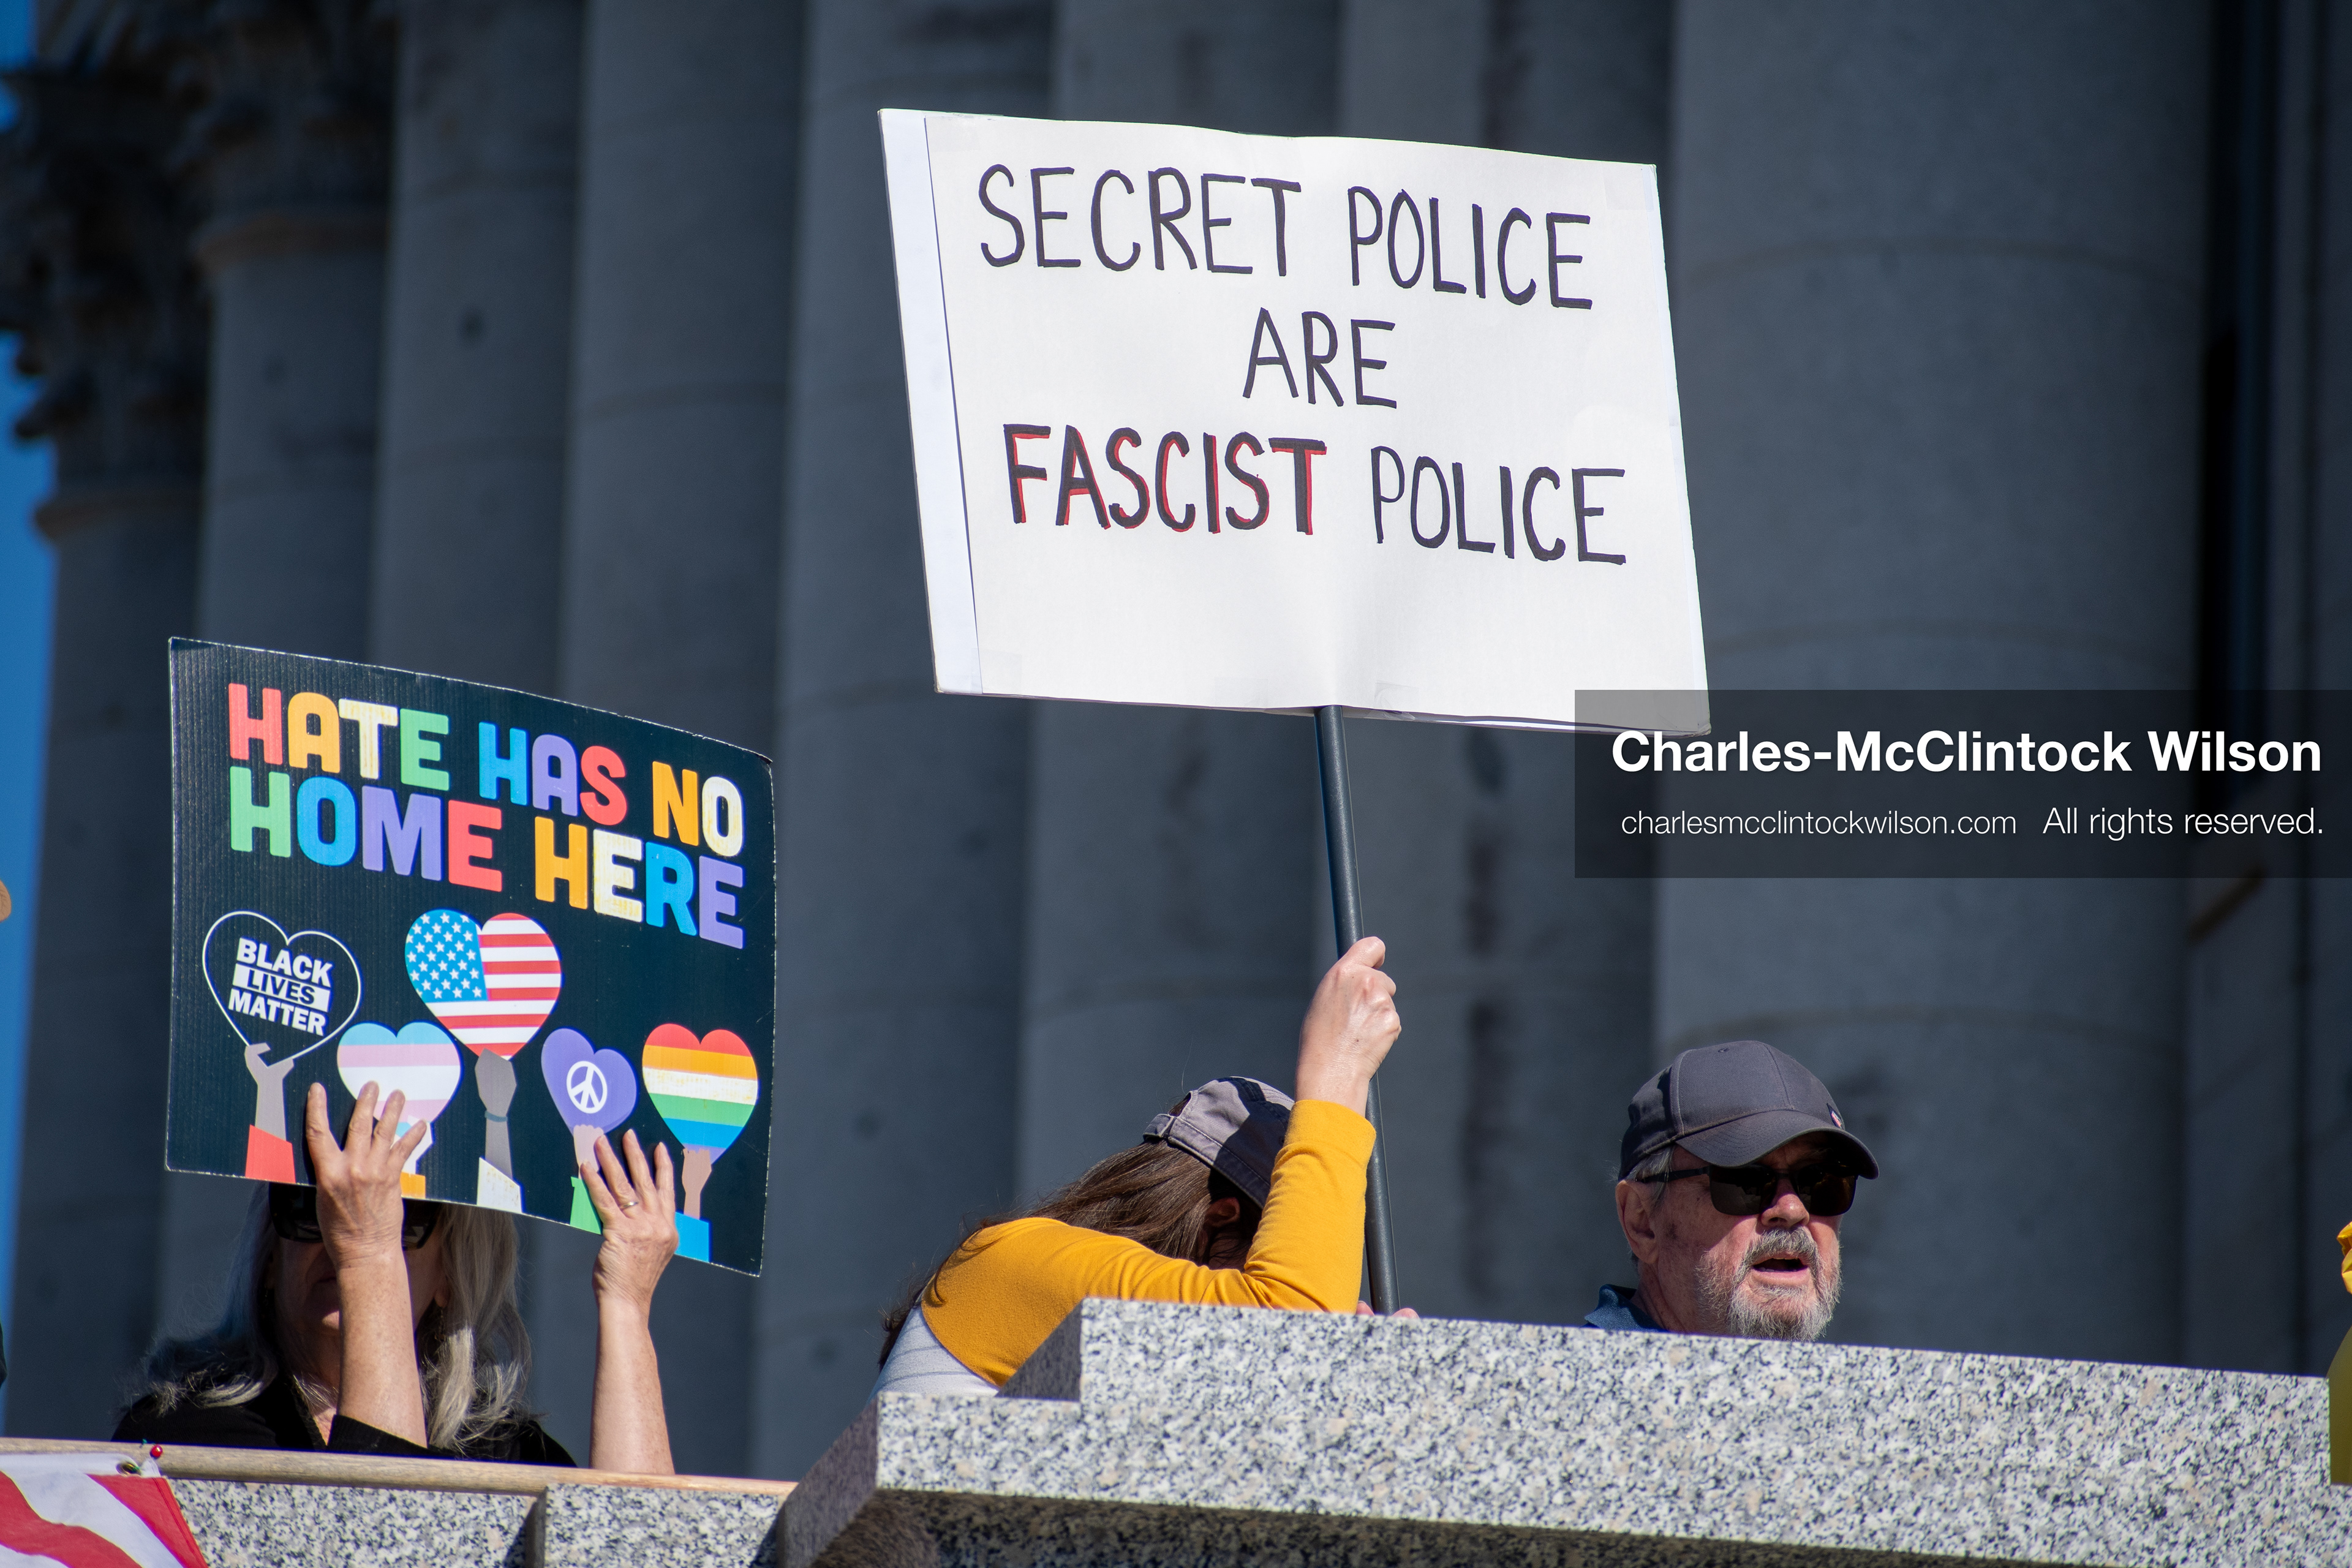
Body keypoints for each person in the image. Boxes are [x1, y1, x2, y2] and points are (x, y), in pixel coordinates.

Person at [873, 935, 1403, 1396]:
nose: (1324, 1291)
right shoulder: (1006, 1262)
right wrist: (1338, 1075)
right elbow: (1286, 1334)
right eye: (1282, 1255)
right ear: (1220, 1219)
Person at [116, 1078, 680, 1469]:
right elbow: (384, 1536)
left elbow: (637, 1545)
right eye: (311, 1208)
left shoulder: (509, 1458)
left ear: (450, 1278)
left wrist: (627, 1301)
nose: (344, 1232)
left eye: (402, 1215)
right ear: (267, 1259)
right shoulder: (184, 1439)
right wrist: (367, 1253)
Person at [1591, 1039, 1876, 1342]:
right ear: (1642, 1222)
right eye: (1746, 1181)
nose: (1792, 1210)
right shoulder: (1572, 1383)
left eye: (1821, 1179)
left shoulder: (1854, 1387)